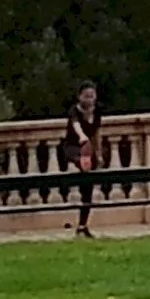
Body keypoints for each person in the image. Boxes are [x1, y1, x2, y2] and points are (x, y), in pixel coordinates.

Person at [59, 81, 101, 237]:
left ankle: (83, 225)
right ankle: (78, 165)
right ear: (79, 97)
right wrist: (82, 137)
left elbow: (97, 133)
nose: (89, 99)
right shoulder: (74, 111)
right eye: (86, 96)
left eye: (92, 96)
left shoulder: (97, 111)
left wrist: (98, 153)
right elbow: (76, 125)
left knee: (88, 190)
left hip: (88, 149)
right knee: (81, 162)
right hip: (72, 148)